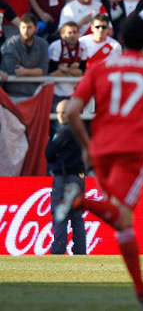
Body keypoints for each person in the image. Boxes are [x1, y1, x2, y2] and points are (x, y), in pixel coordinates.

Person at [57, 16, 143, 307]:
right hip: (132, 151)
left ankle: (141, 289)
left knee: (119, 218)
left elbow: (72, 111)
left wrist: (87, 147)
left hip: (100, 150)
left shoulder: (101, 68)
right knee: (123, 219)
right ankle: (140, 291)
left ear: (120, 40)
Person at [46, 99, 87, 255]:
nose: (60, 116)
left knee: (60, 215)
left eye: (63, 112)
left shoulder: (64, 131)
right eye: (58, 113)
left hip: (65, 178)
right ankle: (80, 252)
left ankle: (58, 251)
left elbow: (49, 152)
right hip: (79, 177)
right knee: (77, 217)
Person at [48, 21, 88, 136]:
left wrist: (64, 69)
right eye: (69, 32)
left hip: (74, 94)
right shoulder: (56, 46)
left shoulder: (83, 47)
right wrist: (72, 70)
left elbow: (81, 72)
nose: (72, 35)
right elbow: (52, 73)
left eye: (75, 32)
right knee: (59, 129)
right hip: (57, 93)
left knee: (75, 129)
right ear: (62, 34)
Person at [0, 13, 49, 100]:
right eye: (23, 27)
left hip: (36, 94)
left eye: (29, 27)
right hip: (11, 94)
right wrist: (35, 71)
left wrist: (25, 71)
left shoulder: (43, 44)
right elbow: (13, 70)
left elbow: (44, 70)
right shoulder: (11, 43)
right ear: (19, 28)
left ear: (36, 29)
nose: (26, 31)